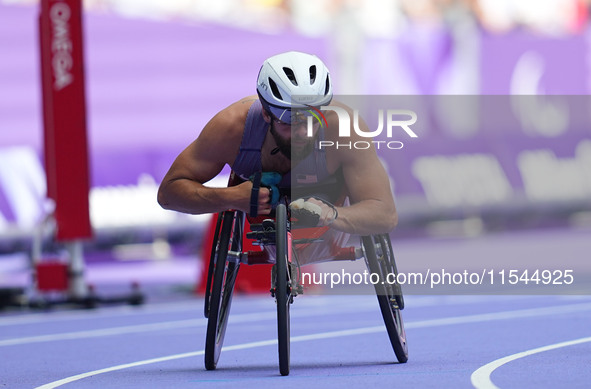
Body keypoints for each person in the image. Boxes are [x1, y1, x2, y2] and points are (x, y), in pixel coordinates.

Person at [157, 51, 397, 238]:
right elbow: (168, 193)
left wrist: (331, 214)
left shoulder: (346, 128)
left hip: (326, 198)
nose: (303, 131)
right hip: (254, 201)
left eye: (313, 119)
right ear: (265, 112)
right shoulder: (231, 127)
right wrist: (230, 197)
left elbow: (384, 212)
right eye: (290, 120)